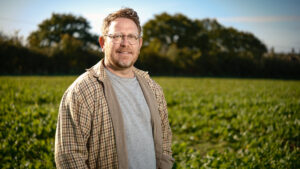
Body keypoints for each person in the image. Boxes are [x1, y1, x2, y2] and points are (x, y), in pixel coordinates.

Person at [54, 8, 174, 169]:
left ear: (139, 43)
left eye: (131, 37)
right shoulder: (81, 91)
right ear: (103, 43)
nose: (125, 43)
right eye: (117, 36)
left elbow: (165, 142)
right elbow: (69, 156)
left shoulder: (154, 89)